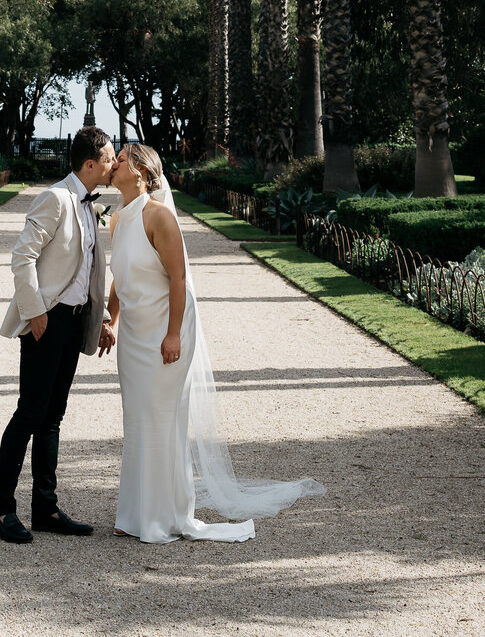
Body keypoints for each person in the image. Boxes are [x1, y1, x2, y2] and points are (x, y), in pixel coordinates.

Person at [101, 141, 324, 544]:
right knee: (137, 419)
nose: (112, 165)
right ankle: (133, 513)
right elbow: (120, 276)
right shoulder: (117, 219)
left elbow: (179, 279)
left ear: (139, 170)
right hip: (134, 335)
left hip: (165, 331)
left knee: (161, 420)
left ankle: (161, 516)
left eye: (119, 160)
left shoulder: (160, 217)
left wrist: (172, 334)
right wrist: (111, 320)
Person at [0, 125, 117, 544]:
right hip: (48, 320)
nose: (114, 164)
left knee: (53, 417)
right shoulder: (56, 198)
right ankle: (1, 512)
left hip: (75, 320)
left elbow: (90, 271)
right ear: (90, 163)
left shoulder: (90, 204)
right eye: (110, 157)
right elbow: (22, 255)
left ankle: (45, 508)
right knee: (30, 412)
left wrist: (98, 319)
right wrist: (36, 311)